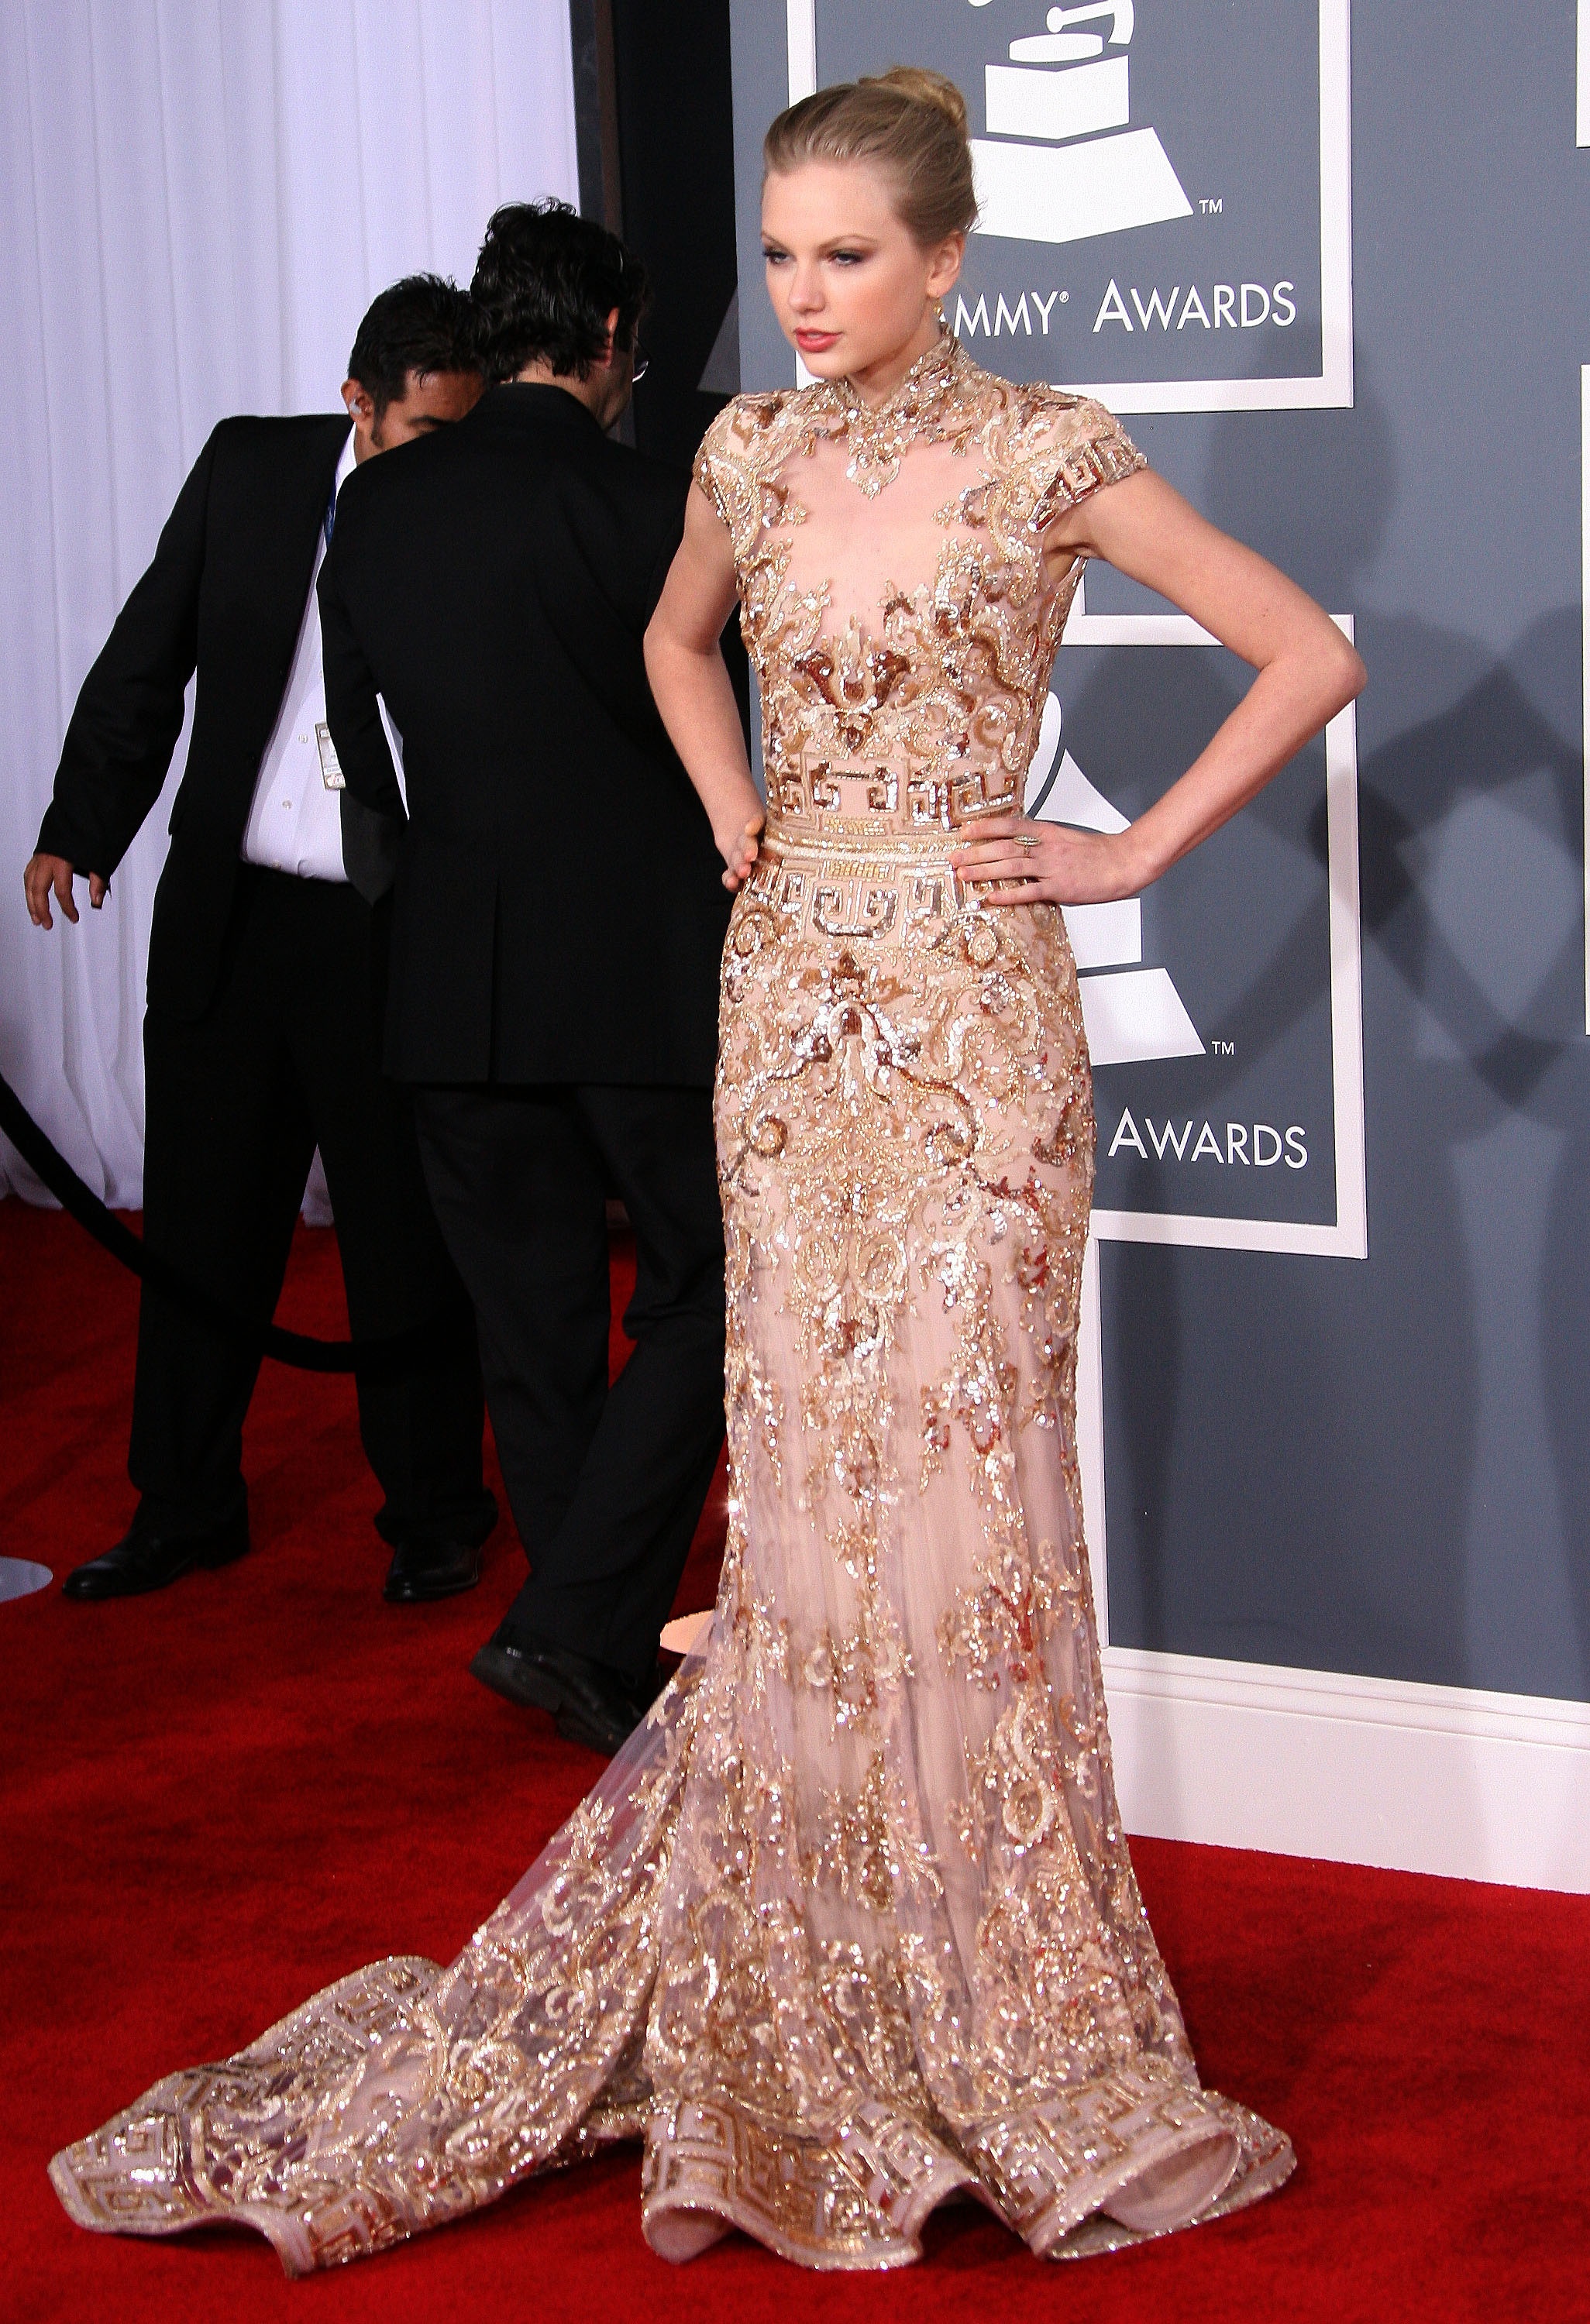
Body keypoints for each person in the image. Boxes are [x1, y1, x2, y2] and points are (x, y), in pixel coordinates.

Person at [50, 71, 1365, 2273]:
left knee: (966, 1483)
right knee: (814, 1481)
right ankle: (805, 1967)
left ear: (945, 258)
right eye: (778, 257)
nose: (806, 295)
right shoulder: (743, 450)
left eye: (848, 256)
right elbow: (678, 644)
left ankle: (995, 1986)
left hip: (969, 1023)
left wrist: (1126, 851)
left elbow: (1310, 650)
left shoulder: (1049, 450)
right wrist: (739, 818)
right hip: (786, 1012)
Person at [314, 202, 731, 1755]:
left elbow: (363, 747)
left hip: (447, 971)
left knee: (532, 1328)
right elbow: (716, 729)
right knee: (713, 1288)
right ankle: (576, 1626)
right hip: (639, 965)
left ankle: (581, 1640)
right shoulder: (655, 504)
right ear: (613, 339)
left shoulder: (375, 507)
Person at [25, 277, 497, 1608]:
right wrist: (81, 827)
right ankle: (183, 1506)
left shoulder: (473, 516)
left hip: (382, 920)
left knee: (402, 1232)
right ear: (359, 404)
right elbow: (147, 652)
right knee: (199, 1221)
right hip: (229, 914)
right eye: (422, 433)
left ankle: (435, 1515)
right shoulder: (248, 470)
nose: (443, 463)